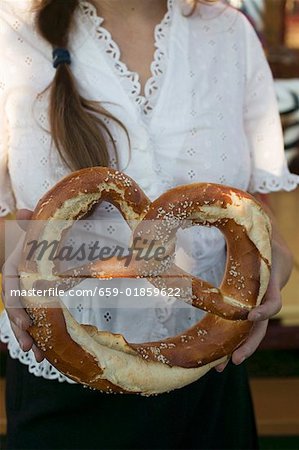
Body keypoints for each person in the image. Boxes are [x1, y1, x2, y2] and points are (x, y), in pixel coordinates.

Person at [0, 0, 297, 449]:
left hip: (212, 371)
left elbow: (250, 210)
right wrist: (10, 262)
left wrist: (275, 253)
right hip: (62, 380)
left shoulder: (229, 34)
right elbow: (13, 224)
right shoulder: (9, 31)